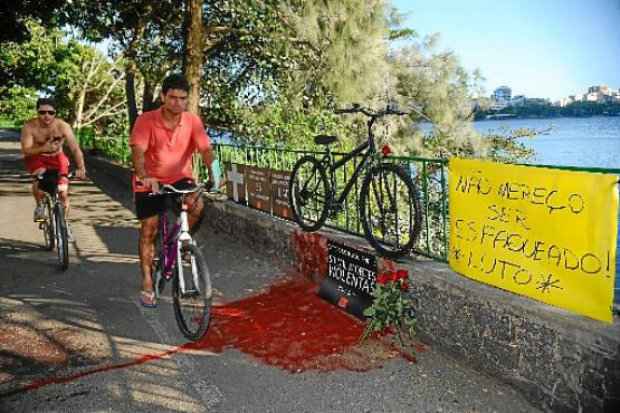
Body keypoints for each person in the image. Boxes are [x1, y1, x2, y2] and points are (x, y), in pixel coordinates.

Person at [130, 73, 214, 308]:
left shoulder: (192, 121)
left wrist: (214, 172)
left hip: (181, 179)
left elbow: (206, 149)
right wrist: (145, 176)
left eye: (183, 98)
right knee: (149, 229)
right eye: (173, 98)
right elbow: (137, 152)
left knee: (197, 207)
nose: (178, 103)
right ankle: (147, 282)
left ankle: (181, 242)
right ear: (163, 97)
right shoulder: (146, 120)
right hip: (150, 179)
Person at [20, 97, 87, 222]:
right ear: (37, 112)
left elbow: (75, 149)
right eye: (42, 112)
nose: (46, 116)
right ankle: (39, 206)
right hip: (36, 157)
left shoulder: (62, 126)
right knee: (39, 178)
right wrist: (44, 148)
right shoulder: (30, 127)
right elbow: (26, 150)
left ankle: (63, 226)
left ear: (55, 113)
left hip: (57, 157)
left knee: (63, 191)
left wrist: (81, 167)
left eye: (50, 113)